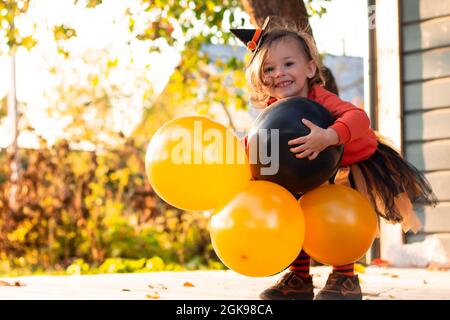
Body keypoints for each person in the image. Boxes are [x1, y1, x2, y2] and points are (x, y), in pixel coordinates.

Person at [231, 16, 438, 300]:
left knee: (336, 215)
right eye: (269, 68)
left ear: (310, 68)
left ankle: (344, 276)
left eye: (288, 64)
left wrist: (329, 136)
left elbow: (358, 118)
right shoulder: (272, 110)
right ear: (260, 81)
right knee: (296, 213)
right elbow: (258, 139)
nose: (279, 73)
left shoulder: (321, 98)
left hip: (346, 164)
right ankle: (299, 277)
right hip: (302, 173)